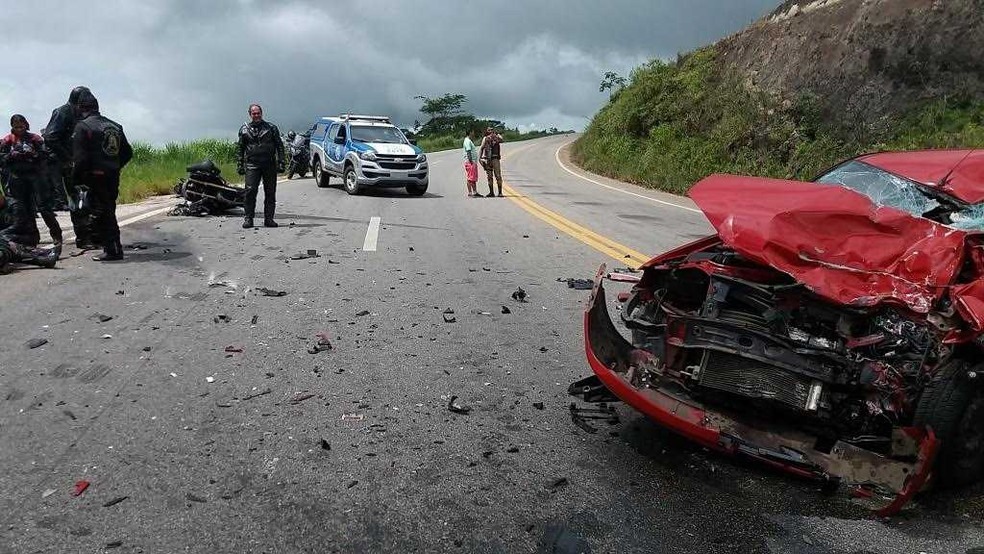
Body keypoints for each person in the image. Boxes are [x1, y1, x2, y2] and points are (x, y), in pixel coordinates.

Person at [72, 91, 133, 261]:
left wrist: (77, 179)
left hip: (94, 177)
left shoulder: (83, 127)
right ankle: (112, 247)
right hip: (112, 175)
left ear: (80, 108)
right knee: (108, 210)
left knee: (103, 212)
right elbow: (127, 153)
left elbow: (80, 159)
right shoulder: (115, 126)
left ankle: (113, 250)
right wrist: (115, 166)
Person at [43, 86, 94, 249]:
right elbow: (50, 137)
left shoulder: (81, 113)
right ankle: (83, 238)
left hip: (80, 163)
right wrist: (68, 158)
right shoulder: (63, 112)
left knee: (86, 199)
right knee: (77, 200)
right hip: (66, 164)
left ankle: (90, 235)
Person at [0, 114, 45, 247]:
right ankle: (25, 236)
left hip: (33, 178)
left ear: (26, 124)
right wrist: (12, 155)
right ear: (12, 127)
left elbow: (45, 155)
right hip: (16, 178)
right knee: (20, 208)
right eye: (16, 126)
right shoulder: (8, 140)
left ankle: (34, 237)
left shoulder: (35, 138)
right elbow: (1, 158)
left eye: (21, 126)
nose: (19, 128)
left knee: (35, 208)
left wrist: (33, 154)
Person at [237, 104, 285, 228]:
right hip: (252, 164)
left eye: (258, 113)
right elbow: (240, 149)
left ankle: (269, 219)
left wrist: (281, 161)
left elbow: (279, 145)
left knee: (270, 192)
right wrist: (240, 164)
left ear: (262, 113)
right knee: (250, 191)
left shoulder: (271, 128)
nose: (256, 115)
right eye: (254, 113)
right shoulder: (244, 130)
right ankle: (248, 218)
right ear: (250, 114)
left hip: (269, 164)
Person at [479, 127, 503, 197]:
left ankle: (500, 192)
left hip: (495, 158)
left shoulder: (496, 137)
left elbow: (502, 140)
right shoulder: (485, 138)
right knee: (489, 177)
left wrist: (497, 134)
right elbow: (481, 148)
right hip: (488, 159)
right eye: (489, 130)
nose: (490, 131)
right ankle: (491, 192)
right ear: (487, 131)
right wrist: (480, 158)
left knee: (498, 176)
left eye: (492, 130)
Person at [462, 128, 479, 197]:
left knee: (473, 177)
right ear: (470, 132)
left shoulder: (468, 141)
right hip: (470, 162)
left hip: (472, 162)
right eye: (473, 132)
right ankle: (471, 192)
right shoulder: (467, 141)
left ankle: (474, 192)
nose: (474, 134)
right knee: (471, 178)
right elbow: (468, 151)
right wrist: (471, 161)